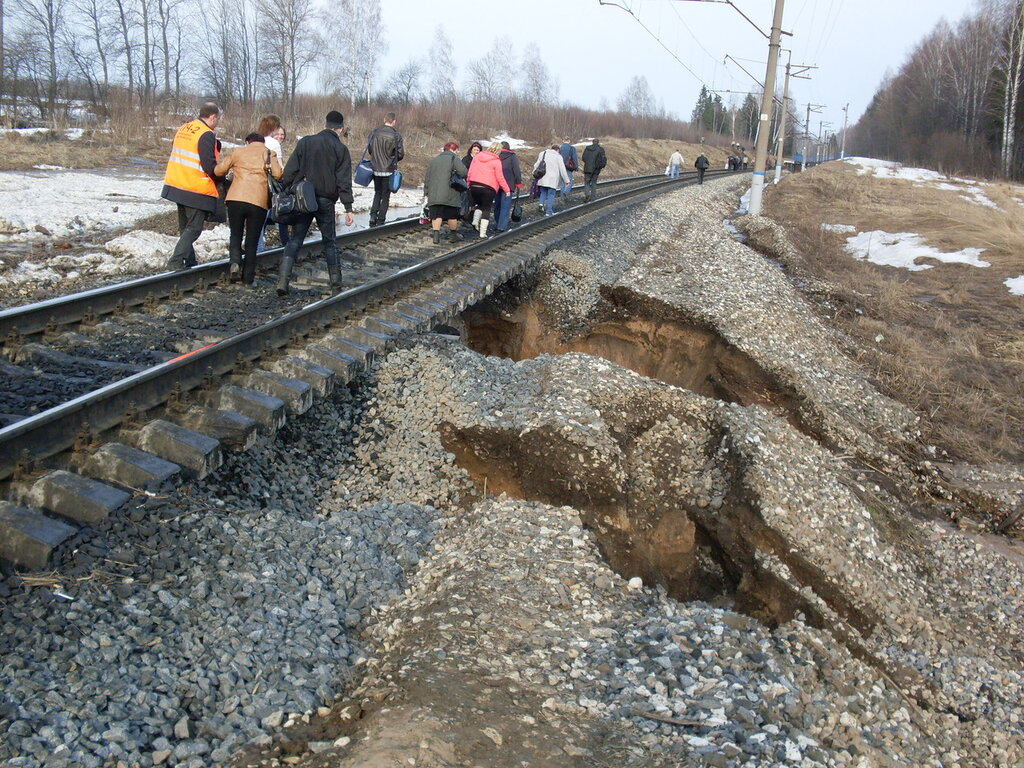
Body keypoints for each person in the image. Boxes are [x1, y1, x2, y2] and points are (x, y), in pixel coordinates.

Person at [276, 110, 355, 296]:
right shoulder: (341, 149)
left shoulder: (305, 142)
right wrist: (348, 207)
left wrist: (286, 190)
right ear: (340, 129)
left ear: (325, 125)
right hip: (326, 201)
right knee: (329, 241)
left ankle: (282, 281)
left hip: (304, 198)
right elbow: (343, 180)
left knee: (296, 239)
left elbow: (290, 170)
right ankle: (336, 283)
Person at [213, 132, 283, 285]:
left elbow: (219, 170)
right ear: (262, 142)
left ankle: (235, 263)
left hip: (235, 199)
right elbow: (278, 174)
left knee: (235, 234)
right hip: (258, 202)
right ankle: (248, 278)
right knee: (252, 240)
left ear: (247, 142)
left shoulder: (238, 152)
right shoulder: (269, 153)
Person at [162, 102, 222, 269]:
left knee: (185, 228)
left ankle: (190, 262)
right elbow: (209, 165)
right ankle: (175, 262)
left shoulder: (185, 128)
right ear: (212, 117)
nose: (217, 123)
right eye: (217, 119)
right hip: (195, 186)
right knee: (194, 228)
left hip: (176, 183)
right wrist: (221, 179)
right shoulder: (206, 134)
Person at [424, 142, 467, 244]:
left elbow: (427, 178)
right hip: (450, 192)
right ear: (454, 149)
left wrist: (426, 191)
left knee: (436, 214)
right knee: (452, 215)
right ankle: (453, 235)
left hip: (435, 193)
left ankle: (436, 235)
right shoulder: (454, 159)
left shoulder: (434, 160)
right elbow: (464, 172)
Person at [256, 116, 289, 252]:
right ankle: (261, 249)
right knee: (273, 214)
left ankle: (256, 247)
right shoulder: (274, 144)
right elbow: (280, 170)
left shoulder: (255, 140)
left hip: (252, 183)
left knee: (257, 218)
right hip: (268, 186)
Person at [366, 112, 404, 227]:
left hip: (375, 167)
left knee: (377, 192)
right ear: (394, 121)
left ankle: (373, 215)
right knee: (386, 195)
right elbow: (401, 154)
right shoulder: (396, 135)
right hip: (388, 169)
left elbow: (370, 149)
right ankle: (381, 219)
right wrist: (392, 159)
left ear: (384, 119)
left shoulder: (374, 132)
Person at [467, 141, 510, 238]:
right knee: (486, 208)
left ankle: (475, 221)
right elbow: (500, 177)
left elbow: (470, 170)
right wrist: (506, 190)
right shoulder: (496, 161)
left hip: (474, 185)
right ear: (498, 151)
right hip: (488, 188)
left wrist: (468, 182)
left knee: (479, 204)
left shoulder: (478, 156)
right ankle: (482, 233)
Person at [494, 140, 522, 233]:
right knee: (505, 206)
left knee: (497, 205)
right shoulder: (512, 156)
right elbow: (516, 170)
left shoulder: (495, 155)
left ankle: (498, 222)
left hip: (496, 184)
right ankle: (501, 227)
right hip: (509, 185)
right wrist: (518, 182)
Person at [533, 145, 569, 217]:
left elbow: (536, 165)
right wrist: (566, 180)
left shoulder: (543, 153)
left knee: (543, 192)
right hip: (552, 179)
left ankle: (541, 204)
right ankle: (549, 211)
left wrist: (534, 173)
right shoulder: (558, 157)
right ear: (558, 150)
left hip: (542, 177)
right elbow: (562, 169)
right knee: (551, 195)